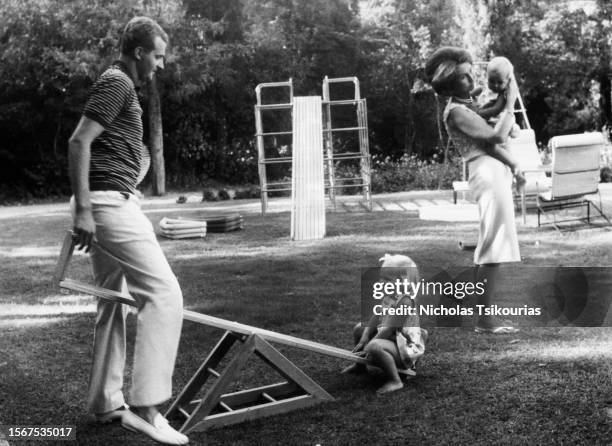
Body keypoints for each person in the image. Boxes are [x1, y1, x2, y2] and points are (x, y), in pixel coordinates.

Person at [68, 17, 188, 445]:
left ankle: (105, 402)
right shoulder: (118, 82)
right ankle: (148, 409)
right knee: (164, 294)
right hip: (106, 207)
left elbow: (115, 152)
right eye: (157, 56)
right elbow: (79, 142)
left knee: (114, 301)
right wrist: (84, 209)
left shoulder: (120, 85)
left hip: (111, 201)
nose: (160, 65)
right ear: (139, 52)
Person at [424, 46, 522, 334]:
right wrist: (511, 101)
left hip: (493, 170)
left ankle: (485, 317)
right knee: (493, 246)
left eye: (469, 75)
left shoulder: (467, 106)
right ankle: (485, 320)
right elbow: (494, 137)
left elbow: (492, 129)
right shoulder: (455, 112)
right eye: (465, 78)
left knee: (493, 244)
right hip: (486, 172)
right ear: (452, 85)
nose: (472, 81)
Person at [343, 254, 427, 394]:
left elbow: (388, 329)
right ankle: (360, 366)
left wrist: (370, 344)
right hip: (392, 340)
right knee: (359, 328)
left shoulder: (405, 302)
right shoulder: (390, 295)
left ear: (403, 281)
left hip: (405, 349)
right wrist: (364, 336)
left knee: (375, 346)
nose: (382, 283)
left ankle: (395, 380)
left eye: (387, 280)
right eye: (381, 278)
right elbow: (377, 315)